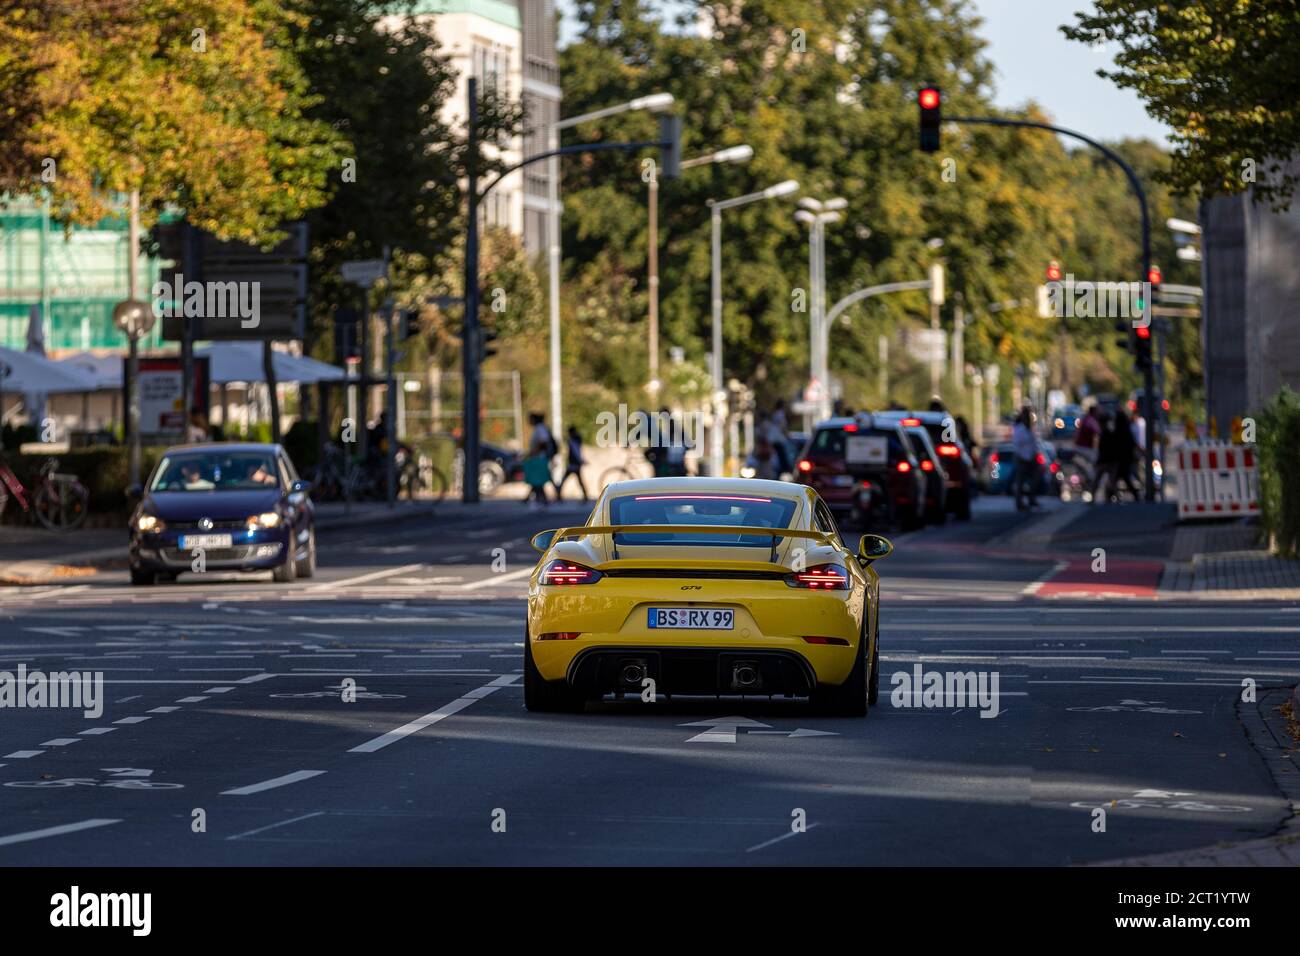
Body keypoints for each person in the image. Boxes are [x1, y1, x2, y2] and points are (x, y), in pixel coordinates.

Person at [1010, 406, 1040, 511]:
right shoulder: (1019, 429)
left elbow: (1033, 443)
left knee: (1035, 479)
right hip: (1022, 458)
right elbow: (1017, 445)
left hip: (1031, 457)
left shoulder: (1029, 429)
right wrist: (1025, 456)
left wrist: (1034, 454)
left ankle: (1032, 499)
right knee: (1020, 481)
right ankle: (1019, 503)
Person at [524, 412, 555, 508]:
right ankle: (541, 499)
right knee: (537, 480)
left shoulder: (540, 429)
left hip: (539, 458)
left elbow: (543, 442)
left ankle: (542, 500)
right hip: (538, 457)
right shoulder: (539, 428)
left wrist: (534, 452)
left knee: (537, 480)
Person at [557, 425, 589, 501]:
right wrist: (581, 460)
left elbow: (575, 452)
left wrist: (580, 460)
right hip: (575, 464)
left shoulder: (572, 440)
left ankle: (558, 495)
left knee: (564, 480)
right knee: (578, 481)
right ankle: (585, 496)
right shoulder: (576, 440)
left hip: (573, 464)